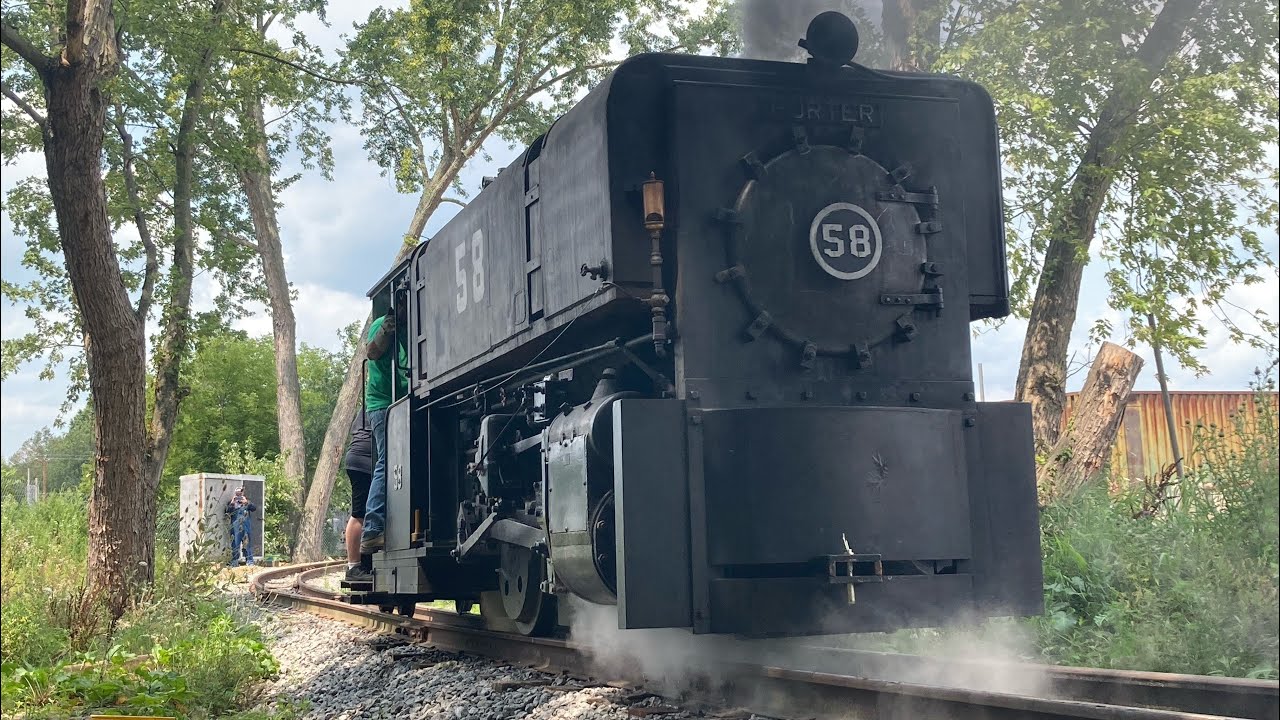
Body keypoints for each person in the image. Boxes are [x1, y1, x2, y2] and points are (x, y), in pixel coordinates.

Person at [360, 298, 409, 554]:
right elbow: (373, 352)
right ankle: (372, 529)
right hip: (383, 406)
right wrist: (387, 330)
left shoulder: (407, 333)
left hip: (396, 404)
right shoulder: (382, 325)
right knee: (386, 463)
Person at [343, 407, 374, 585]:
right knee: (359, 514)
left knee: (363, 513)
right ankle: (353, 567)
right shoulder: (379, 402)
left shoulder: (368, 405)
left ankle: (360, 563)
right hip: (364, 461)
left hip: (357, 458)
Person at [224, 487, 257, 567]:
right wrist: (232, 502)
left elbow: (254, 508)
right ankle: (234, 562)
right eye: (238, 493)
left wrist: (246, 503)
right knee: (235, 544)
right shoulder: (232, 502)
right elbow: (227, 511)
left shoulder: (246, 502)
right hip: (235, 527)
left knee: (247, 543)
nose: (239, 495)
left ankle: (249, 561)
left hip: (246, 527)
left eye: (241, 493)